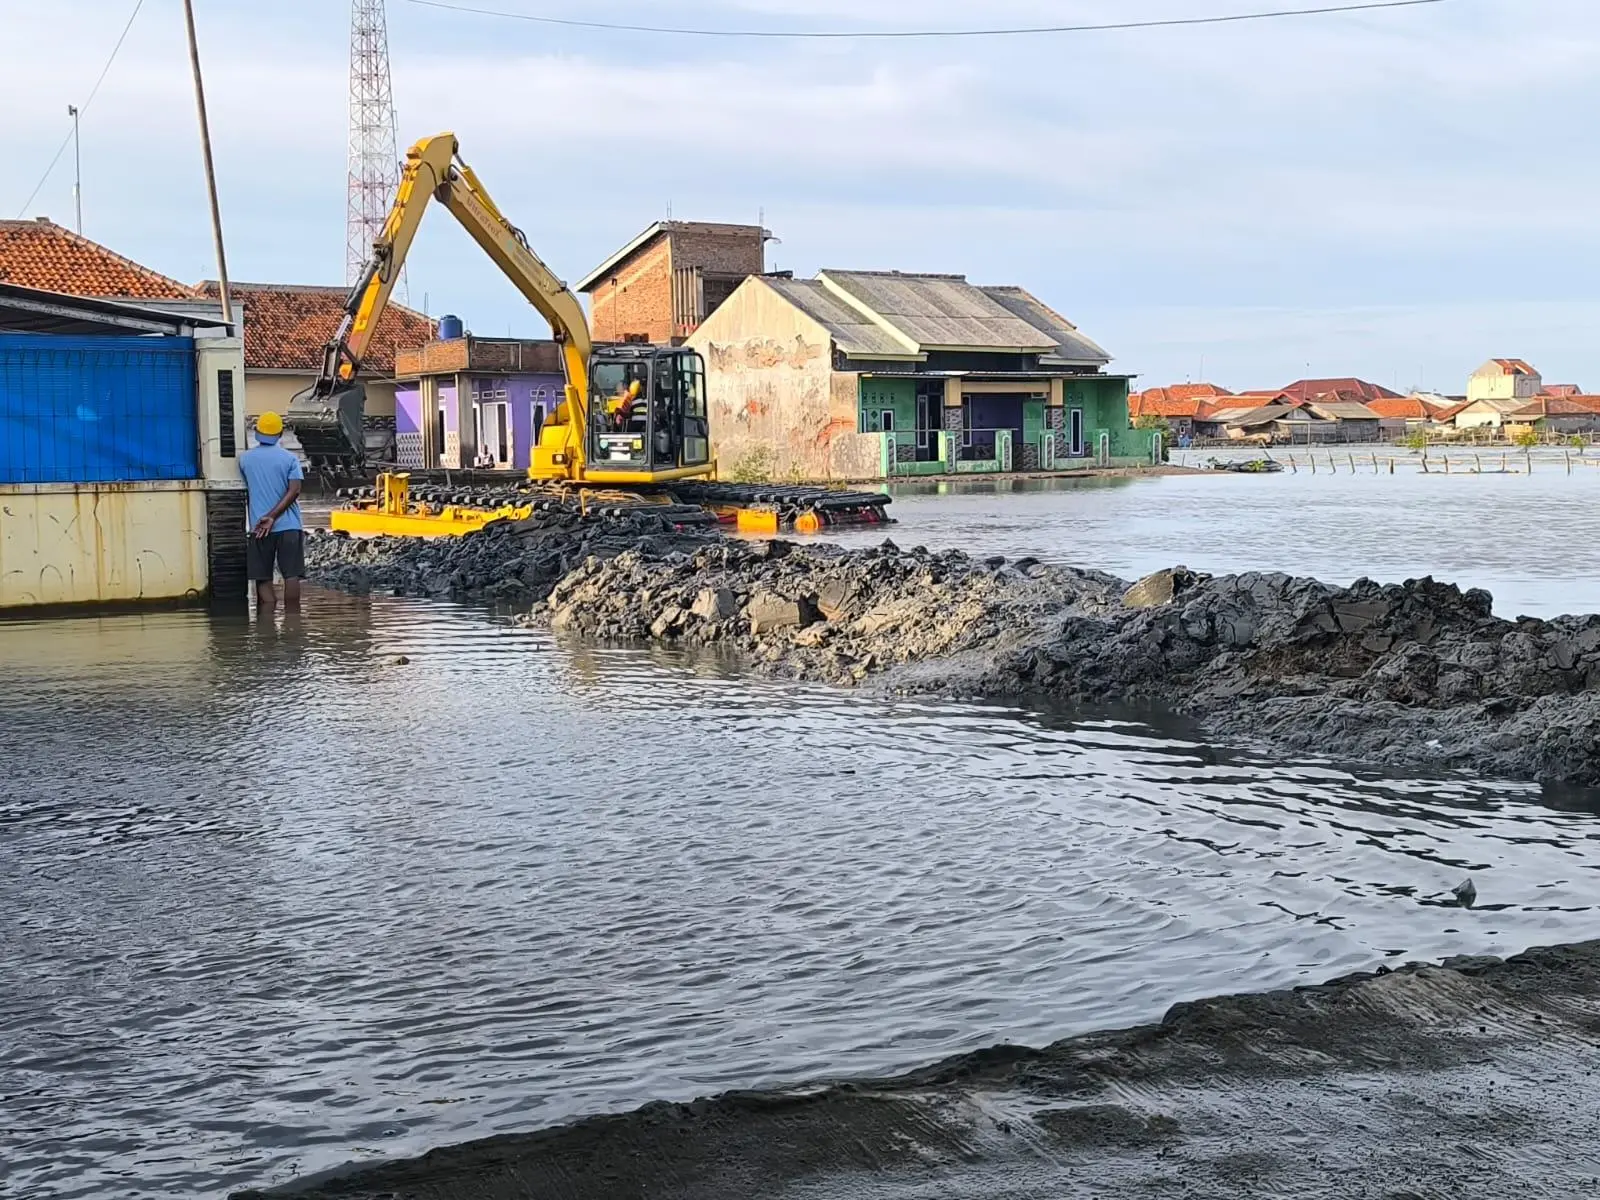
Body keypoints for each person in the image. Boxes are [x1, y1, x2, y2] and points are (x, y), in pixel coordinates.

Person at [239, 411, 305, 611]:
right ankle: (293, 623)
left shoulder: (244, 460)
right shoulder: (290, 459)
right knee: (291, 575)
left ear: (257, 431)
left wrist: (266, 517)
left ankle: (266, 625)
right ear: (280, 433)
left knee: (262, 577)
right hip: (289, 527)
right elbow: (295, 490)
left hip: (259, 528)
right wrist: (274, 516)